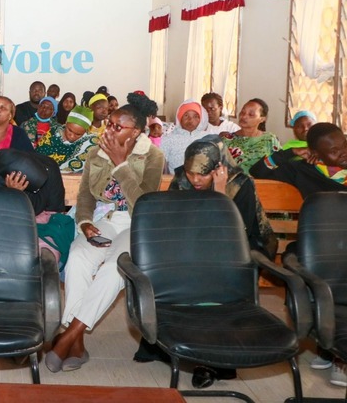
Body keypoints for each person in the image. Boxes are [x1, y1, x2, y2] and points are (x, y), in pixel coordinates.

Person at [135, 134, 277, 388]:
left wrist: (220, 193)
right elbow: (171, 222)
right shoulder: (182, 179)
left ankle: (211, 361)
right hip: (190, 246)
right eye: (191, 174)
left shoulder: (240, 184)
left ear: (219, 168)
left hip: (233, 252)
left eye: (203, 174)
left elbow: (234, 235)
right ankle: (171, 340)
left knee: (210, 282)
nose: (195, 180)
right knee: (171, 271)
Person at [45, 99, 164, 373]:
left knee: (115, 268)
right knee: (77, 257)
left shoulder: (152, 156)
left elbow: (143, 202)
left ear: (135, 132)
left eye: (118, 127)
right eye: (109, 124)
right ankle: (76, 345)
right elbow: (85, 193)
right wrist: (85, 222)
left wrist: (122, 165)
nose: (110, 130)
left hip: (136, 222)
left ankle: (68, 337)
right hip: (104, 217)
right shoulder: (97, 152)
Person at [250, 121, 347, 386]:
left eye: (344, 144)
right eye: (334, 151)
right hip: (317, 245)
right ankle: (330, 345)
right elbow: (257, 170)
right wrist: (289, 154)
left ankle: (340, 355)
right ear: (315, 152)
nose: (343, 153)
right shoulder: (302, 170)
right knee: (319, 273)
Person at [222, 98, 281, 172]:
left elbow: (279, 165)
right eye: (242, 112)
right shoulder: (226, 140)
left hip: (264, 182)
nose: (244, 116)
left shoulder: (270, 139)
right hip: (234, 182)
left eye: (251, 114)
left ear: (262, 119)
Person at [36, 105, 97, 173]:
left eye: (78, 134)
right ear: (66, 123)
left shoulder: (91, 143)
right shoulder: (53, 132)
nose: (72, 136)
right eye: (70, 130)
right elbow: (37, 156)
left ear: (86, 131)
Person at [159, 99, 209, 173]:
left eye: (196, 116)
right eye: (186, 115)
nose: (190, 120)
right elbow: (160, 165)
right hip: (177, 182)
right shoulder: (168, 139)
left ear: (201, 119)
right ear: (179, 118)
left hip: (203, 181)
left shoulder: (208, 138)